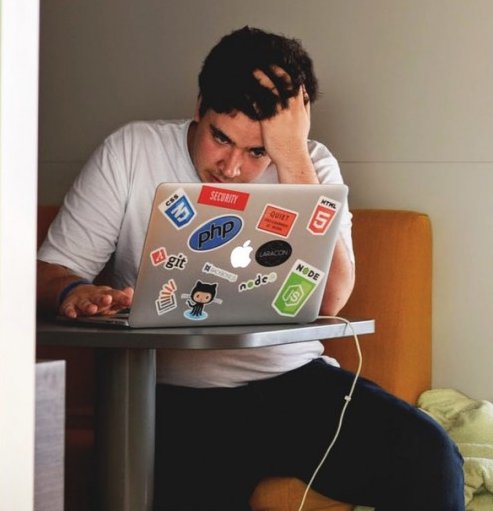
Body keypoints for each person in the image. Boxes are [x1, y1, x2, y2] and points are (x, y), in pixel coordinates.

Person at [37, 26, 464, 511]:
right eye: (220, 137)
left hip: (293, 384)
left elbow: (331, 298)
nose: (232, 167)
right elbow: (49, 271)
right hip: (170, 395)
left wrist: (292, 157)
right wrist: (73, 291)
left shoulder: (311, 166)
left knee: (430, 456)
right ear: (200, 106)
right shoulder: (131, 151)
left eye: (257, 150)